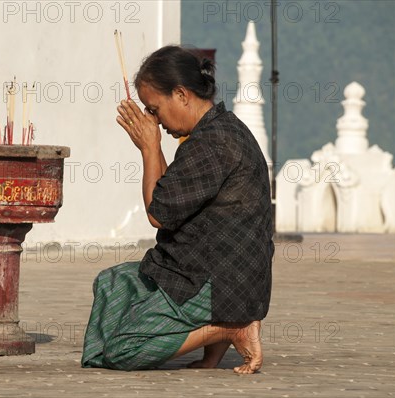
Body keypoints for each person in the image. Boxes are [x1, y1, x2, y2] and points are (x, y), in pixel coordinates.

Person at [81, 45, 274, 374]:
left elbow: (159, 214)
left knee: (123, 350)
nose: (153, 119)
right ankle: (210, 346)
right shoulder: (217, 133)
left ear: (182, 95)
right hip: (219, 270)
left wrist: (149, 148)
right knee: (112, 283)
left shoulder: (213, 142)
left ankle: (230, 327)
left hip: (216, 282)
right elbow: (175, 197)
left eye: (154, 109)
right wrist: (152, 145)